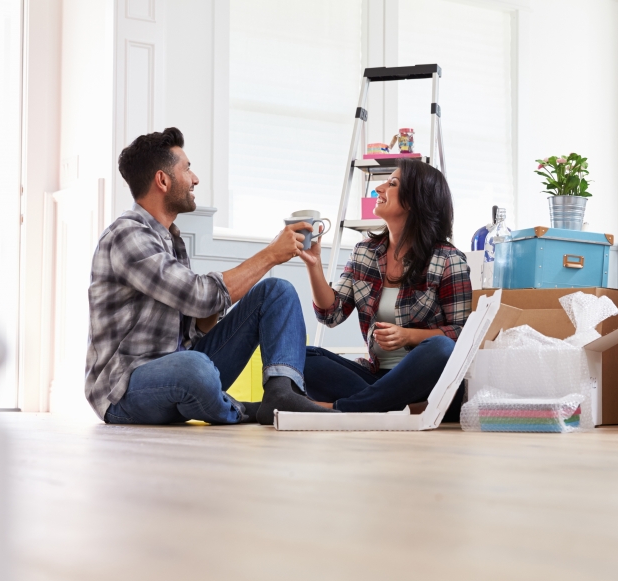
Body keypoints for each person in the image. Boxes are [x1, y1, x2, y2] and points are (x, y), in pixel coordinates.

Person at [85, 127, 333, 426]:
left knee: (276, 291)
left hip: (178, 370)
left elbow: (197, 323)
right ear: (162, 180)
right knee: (194, 369)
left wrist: (214, 314)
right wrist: (270, 255)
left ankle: (283, 395)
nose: (195, 179)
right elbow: (199, 297)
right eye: (187, 169)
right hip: (126, 390)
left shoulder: (171, 240)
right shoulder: (127, 234)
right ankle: (243, 410)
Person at [300, 159, 472, 413]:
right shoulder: (364, 253)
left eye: (392, 184)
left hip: (425, 381)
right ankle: (393, 406)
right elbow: (331, 314)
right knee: (300, 356)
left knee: (441, 348)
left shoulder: (448, 260)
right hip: (375, 377)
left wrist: (408, 336)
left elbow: (462, 335)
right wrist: (314, 265)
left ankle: (343, 408)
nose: (379, 189)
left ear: (414, 200)